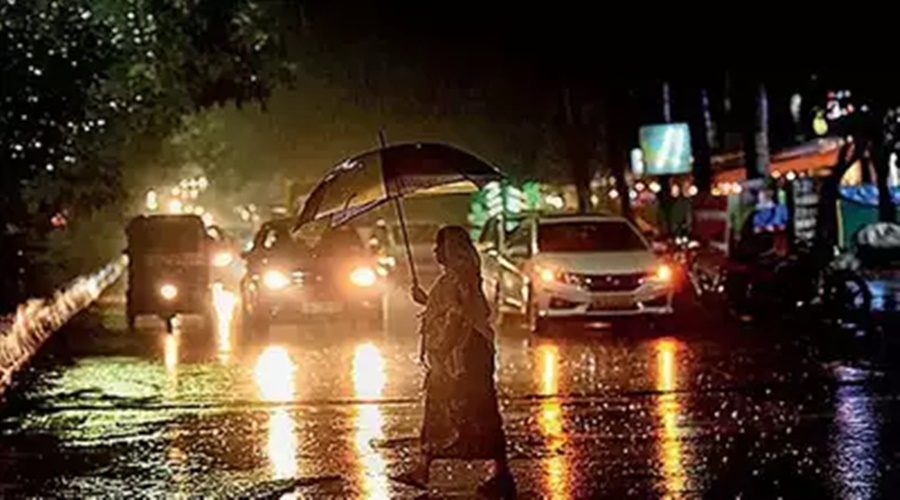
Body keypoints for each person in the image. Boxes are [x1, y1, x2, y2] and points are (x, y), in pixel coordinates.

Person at [394, 225, 516, 498]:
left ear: (451, 247)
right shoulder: (458, 276)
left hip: (465, 355)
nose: (435, 251)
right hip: (467, 353)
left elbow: (457, 316)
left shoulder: (460, 276)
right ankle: (429, 468)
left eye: (439, 246)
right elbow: (449, 307)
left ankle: (427, 469)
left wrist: (442, 348)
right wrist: (425, 299)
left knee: (465, 408)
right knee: (465, 408)